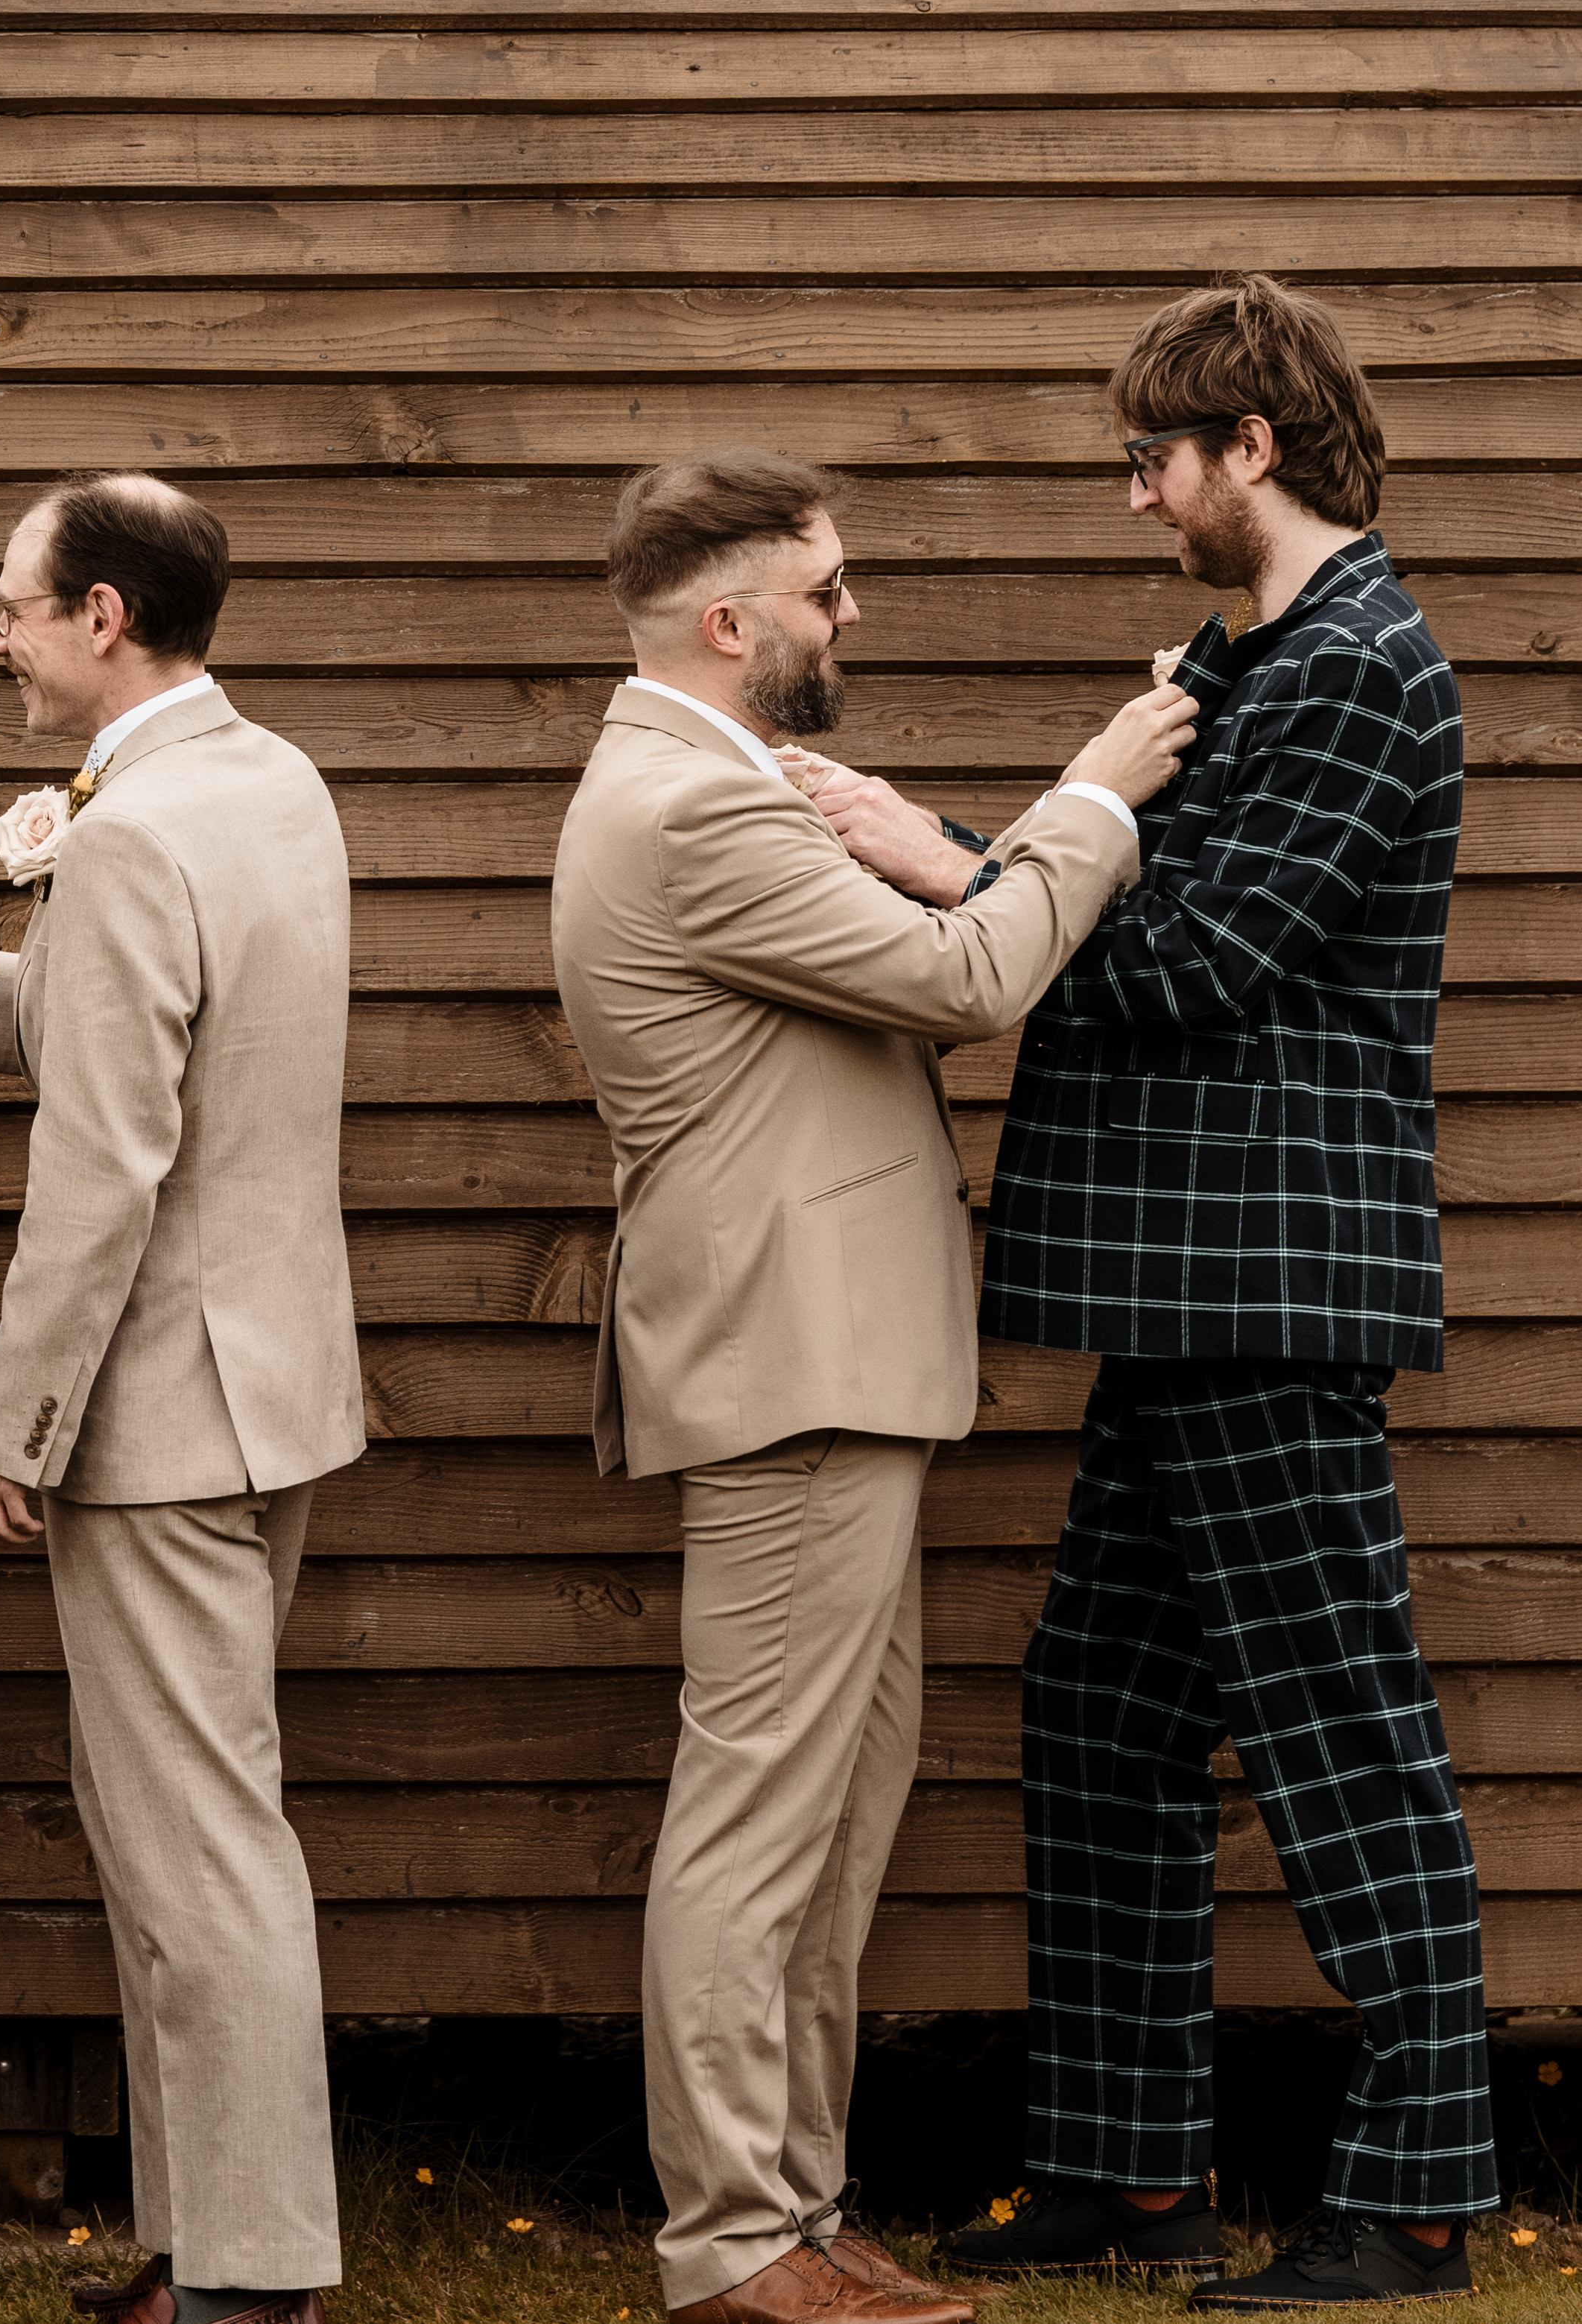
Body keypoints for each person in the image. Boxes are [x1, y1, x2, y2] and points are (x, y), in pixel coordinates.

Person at [798, 280, 1491, 2314]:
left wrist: (948, 865)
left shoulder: (1365, 662)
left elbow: (1190, 954)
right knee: (1103, 1714)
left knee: (1342, 1730)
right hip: (1173, 1283)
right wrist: (1012, 863)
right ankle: (1129, 2166)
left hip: (1267, 1286)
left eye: (1155, 457)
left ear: (1252, 447)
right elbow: (1129, 898)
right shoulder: (1230, 649)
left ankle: (1422, 2196)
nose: (1136, 492)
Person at [551, 452, 1200, 2324]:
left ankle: (800, 2196)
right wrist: (1088, 795)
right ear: (727, 620)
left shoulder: (728, 785)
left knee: (838, 1798)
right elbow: (974, 971)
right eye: (826, 590)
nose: (854, 615)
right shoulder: (691, 807)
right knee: (763, 1805)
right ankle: (733, 2237)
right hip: (789, 1365)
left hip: (831, 1363)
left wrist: (916, 825)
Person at [0, 472, 358, 2324]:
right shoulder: (268, 780)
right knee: (180, 1827)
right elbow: (199, 1027)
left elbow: (110, 1154)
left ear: (99, 617)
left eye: (7, 603)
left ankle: (249, 2277)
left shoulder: (136, 830)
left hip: (159, 1405)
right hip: (272, 1383)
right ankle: (202, 2246)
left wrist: (17, 1420)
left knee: (199, 1847)